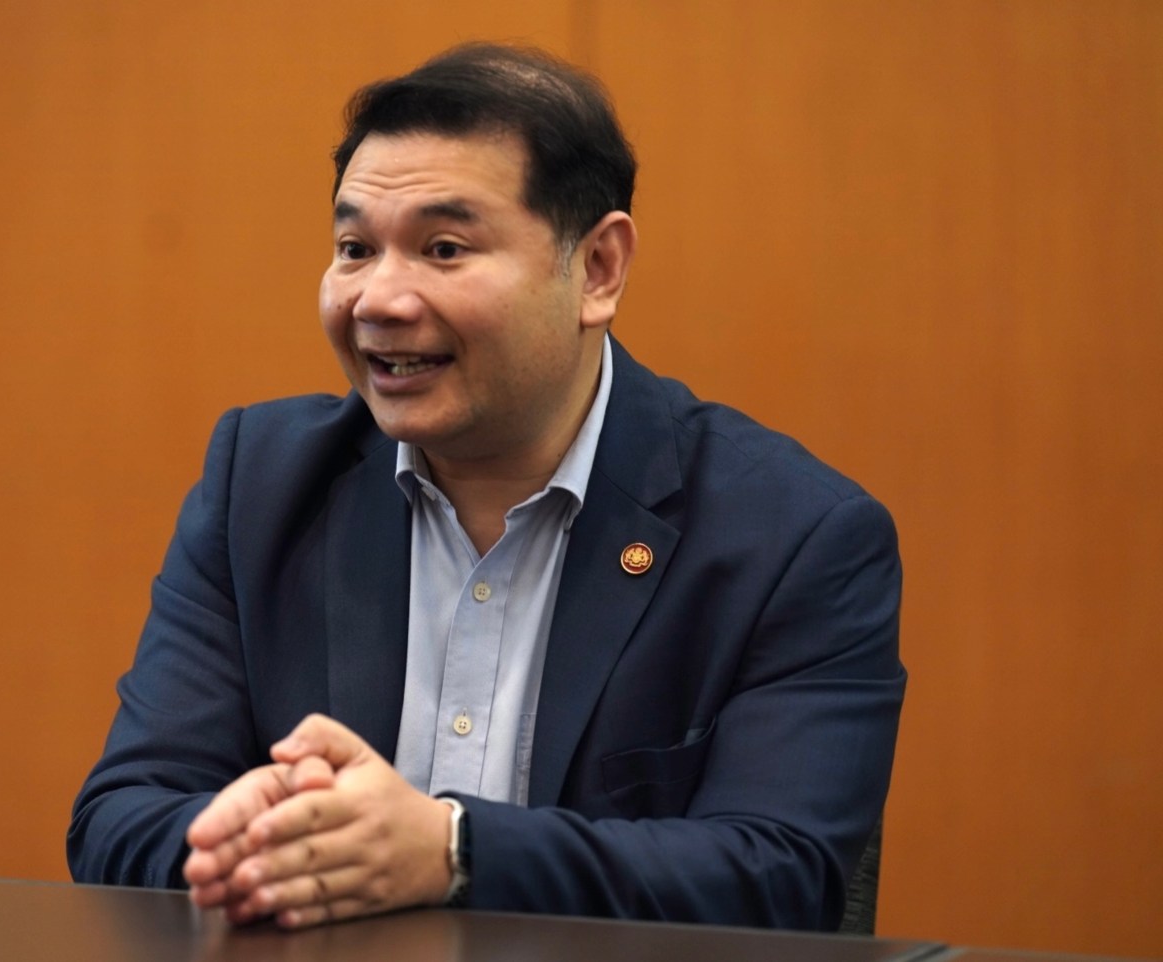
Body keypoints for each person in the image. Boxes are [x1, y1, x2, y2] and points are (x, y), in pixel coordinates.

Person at [68, 42, 905, 933]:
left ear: (597, 270)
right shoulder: (262, 482)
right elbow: (120, 816)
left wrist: (451, 851)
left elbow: (778, 876)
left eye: (443, 248)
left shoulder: (794, 535)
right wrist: (256, 833)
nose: (379, 299)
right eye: (354, 248)